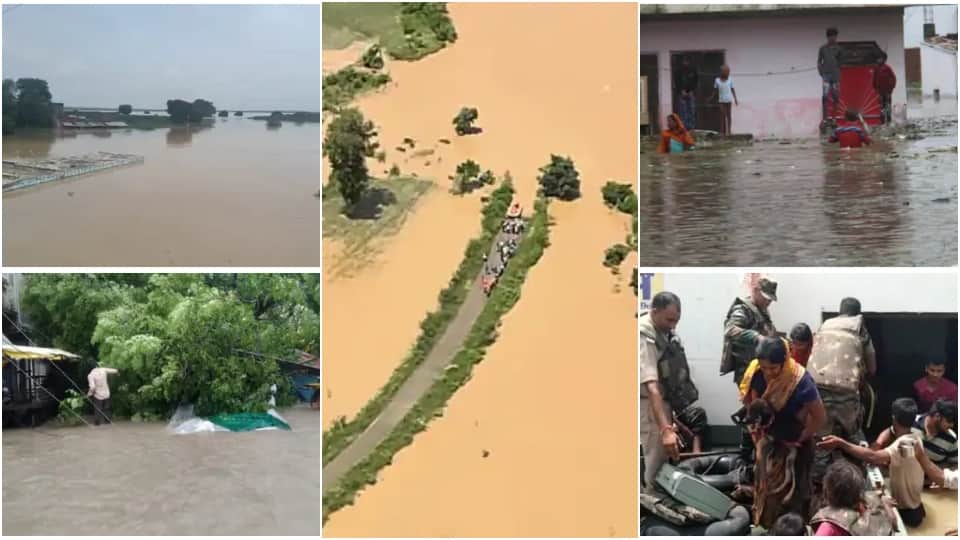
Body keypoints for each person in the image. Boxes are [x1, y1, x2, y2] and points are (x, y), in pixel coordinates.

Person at [740, 337, 826, 527]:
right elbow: (752, 407)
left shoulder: (800, 380)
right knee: (766, 489)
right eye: (764, 368)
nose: (768, 373)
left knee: (794, 495)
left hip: (796, 444)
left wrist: (799, 438)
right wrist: (758, 438)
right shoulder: (756, 373)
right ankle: (767, 526)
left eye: (773, 368)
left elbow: (819, 417)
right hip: (768, 440)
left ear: (785, 360)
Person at [818, 398, 926, 527]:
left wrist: (841, 443)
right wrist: (877, 444)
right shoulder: (916, 436)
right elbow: (889, 432)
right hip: (913, 499)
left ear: (893, 418)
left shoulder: (904, 444)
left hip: (906, 508)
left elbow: (873, 457)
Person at [808, 297, 877, 495]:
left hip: (817, 389)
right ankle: (858, 483)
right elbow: (872, 366)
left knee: (821, 438)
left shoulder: (825, 326)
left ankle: (817, 486)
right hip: (845, 392)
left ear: (840, 312)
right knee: (852, 434)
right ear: (857, 314)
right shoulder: (859, 329)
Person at [639, 292, 698, 493]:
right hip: (651, 406)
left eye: (676, 320)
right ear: (654, 311)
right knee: (656, 466)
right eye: (669, 320)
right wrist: (665, 430)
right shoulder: (645, 336)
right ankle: (650, 503)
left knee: (666, 461)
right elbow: (652, 387)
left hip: (664, 406)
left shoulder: (664, 332)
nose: (673, 325)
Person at [810, 460, 895, 535]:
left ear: (827, 491)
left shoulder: (829, 526)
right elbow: (892, 521)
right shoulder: (874, 501)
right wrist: (885, 504)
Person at [722, 276, 778, 386]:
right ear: (756, 291)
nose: (768, 302)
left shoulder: (762, 310)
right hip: (747, 370)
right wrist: (756, 337)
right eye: (765, 298)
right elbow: (730, 330)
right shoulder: (742, 309)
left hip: (762, 368)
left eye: (770, 300)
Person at [819, 27, 842, 126]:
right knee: (825, 97)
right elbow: (819, 61)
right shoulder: (823, 49)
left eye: (834, 36)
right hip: (826, 75)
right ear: (827, 37)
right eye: (831, 36)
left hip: (835, 76)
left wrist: (837, 71)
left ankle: (834, 118)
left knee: (836, 97)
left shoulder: (839, 49)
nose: (833, 38)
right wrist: (821, 72)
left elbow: (841, 62)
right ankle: (825, 119)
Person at [709, 65, 738, 135]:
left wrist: (735, 98)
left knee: (729, 116)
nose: (727, 73)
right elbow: (715, 90)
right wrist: (711, 97)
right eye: (726, 72)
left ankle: (729, 131)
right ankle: (722, 131)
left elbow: (732, 89)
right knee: (722, 116)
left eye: (728, 72)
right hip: (721, 101)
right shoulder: (717, 80)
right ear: (722, 72)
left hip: (728, 100)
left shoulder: (730, 80)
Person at [675, 55, 699, 130]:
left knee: (691, 109)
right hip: (681, 93)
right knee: (683, 110)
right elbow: (676, 82)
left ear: (689, 62)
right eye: (684, 61)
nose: (685, 63)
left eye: (686, 61)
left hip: (690, 92)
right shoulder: (679, 71)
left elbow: (696, 81)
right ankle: (683, 127)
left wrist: (692, 90)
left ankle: (691, 127)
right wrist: (681, 90)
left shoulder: (693, 70)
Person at [872, 51, 896, 124]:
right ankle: (882, 120)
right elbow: (874, 79)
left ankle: (888, 119)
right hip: (880, 91)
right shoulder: (876, 68)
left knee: (887, 105)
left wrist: (891, 88)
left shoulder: (887, 68)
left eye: (880, 58)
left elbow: (893, 78)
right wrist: (875, 88)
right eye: (877, 59)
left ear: (884, 59)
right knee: (881, 106)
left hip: (887, 91)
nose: (878, 60)